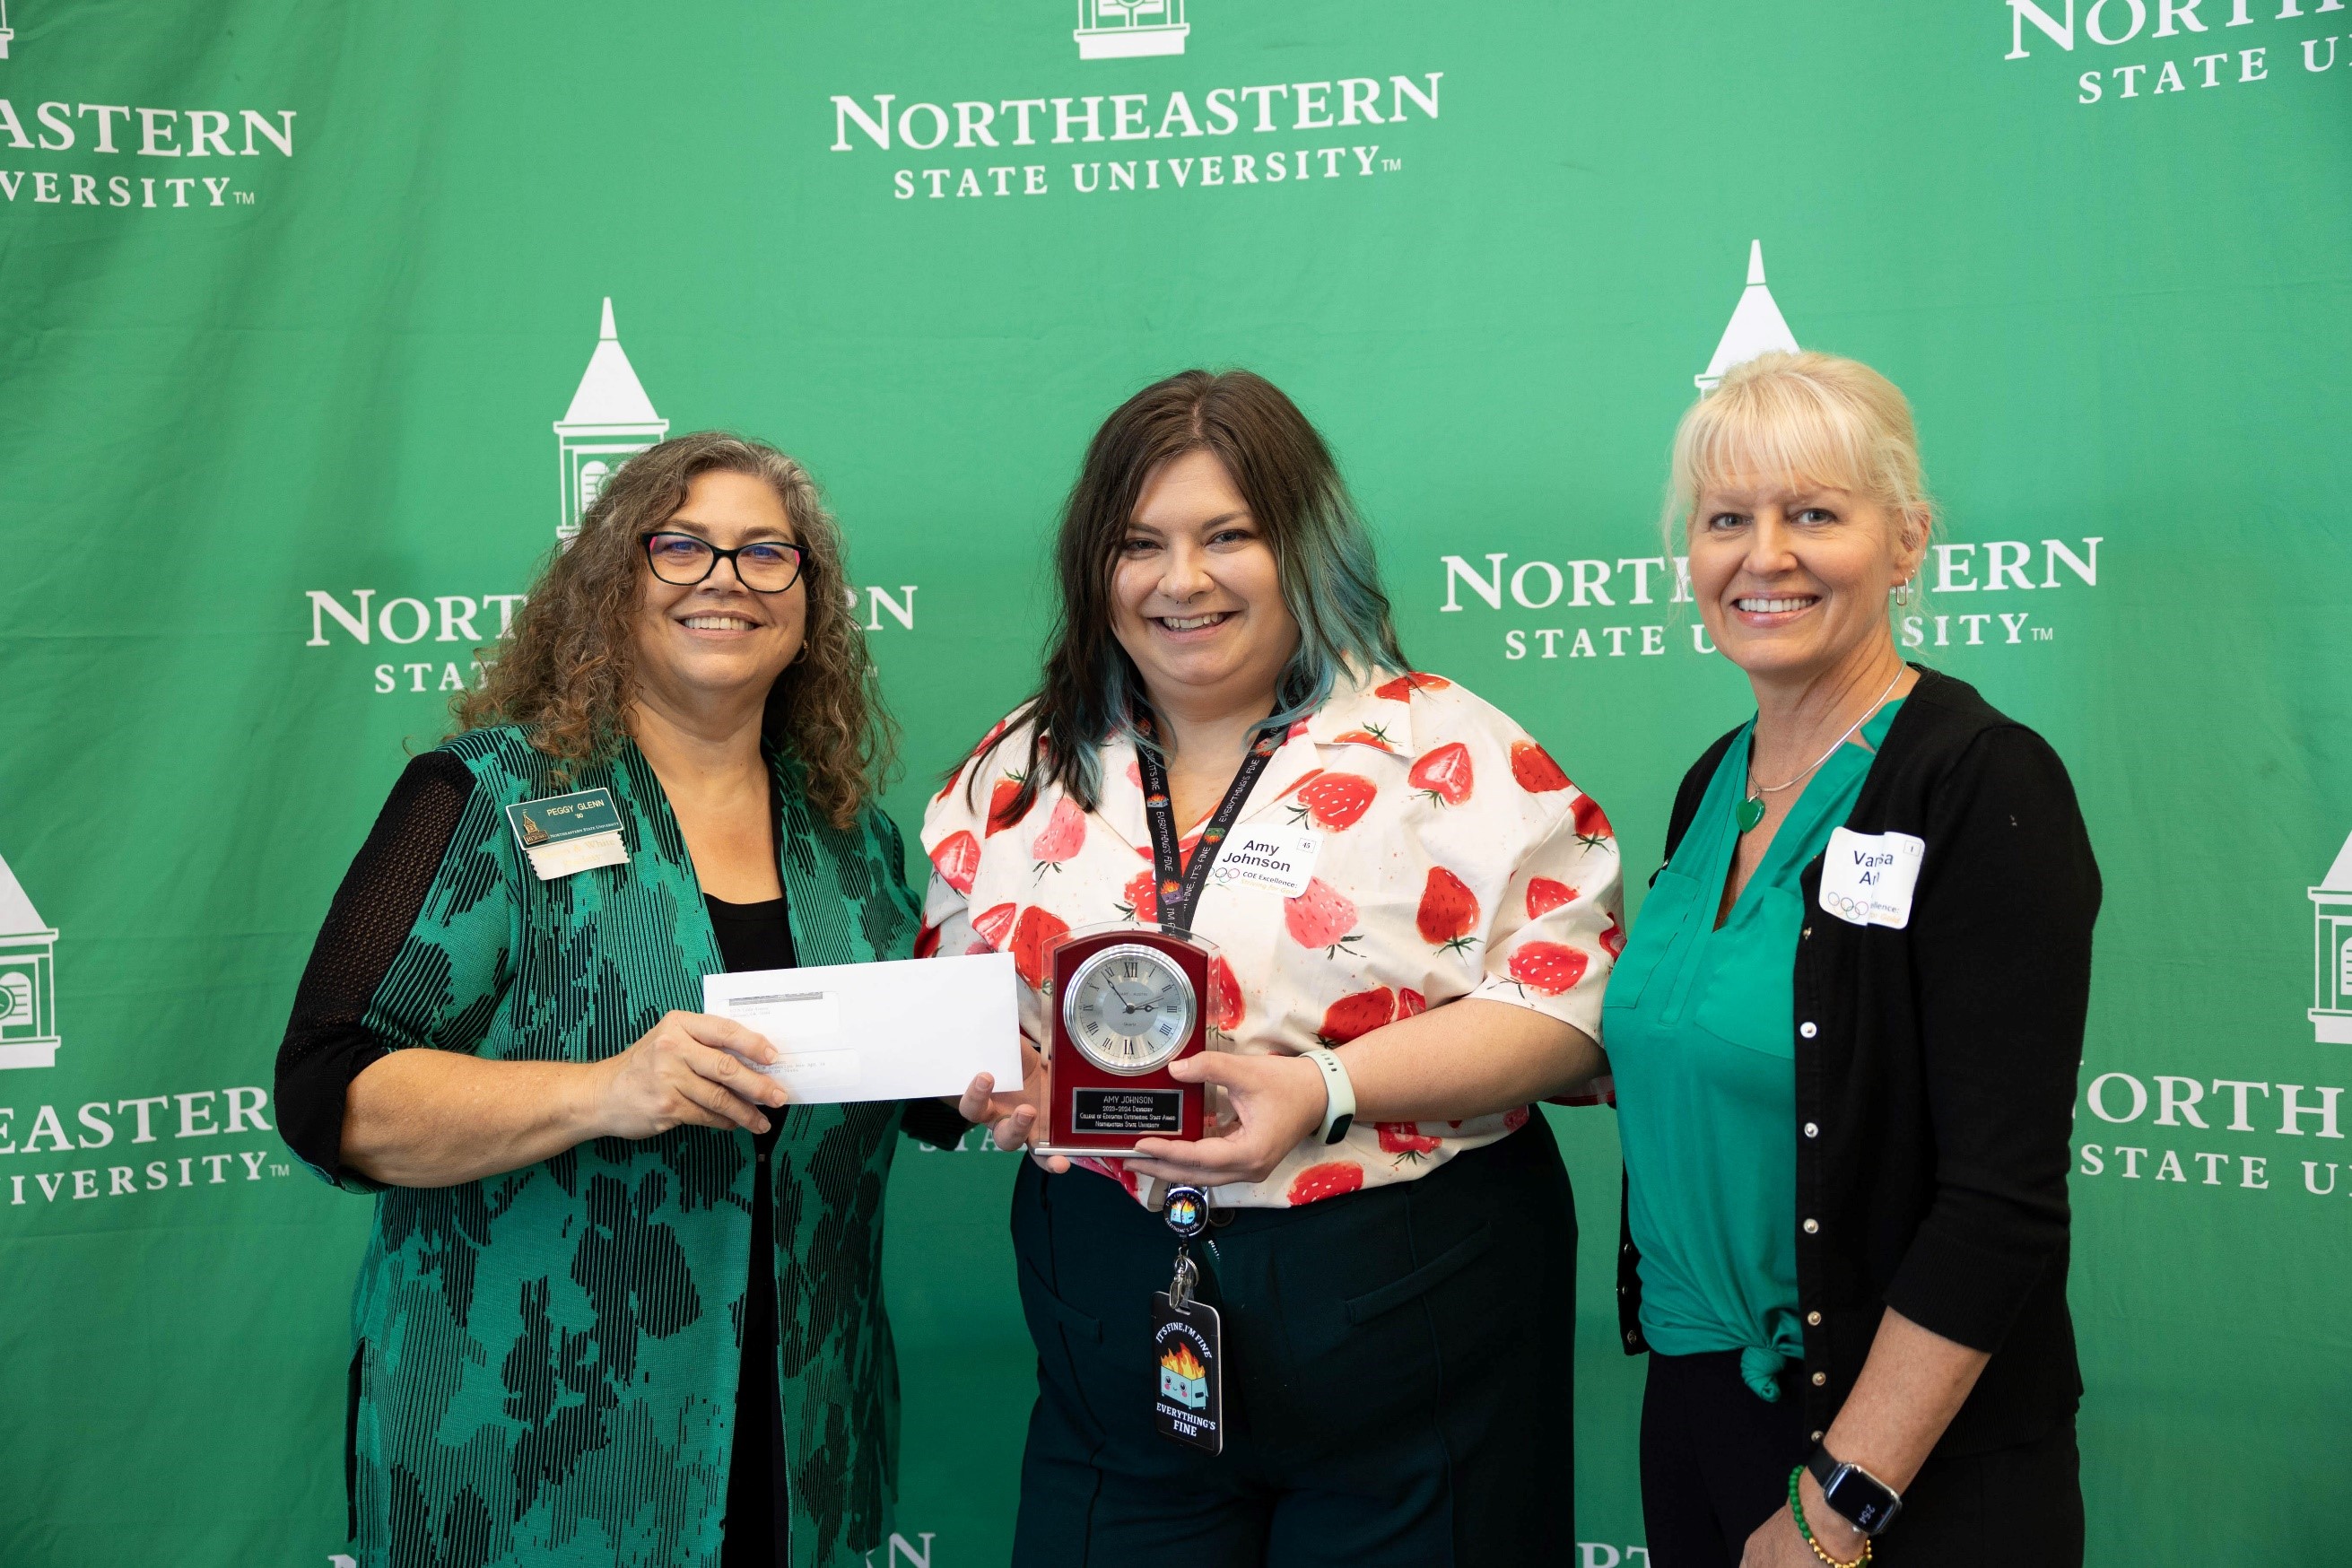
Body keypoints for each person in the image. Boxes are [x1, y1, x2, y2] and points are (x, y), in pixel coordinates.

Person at [922, 369, 1622, 1566]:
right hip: (1112, 1315)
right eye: (1139, 543)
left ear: (1300, 544)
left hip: (1406, 1325)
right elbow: (950, 1005)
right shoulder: (1019, 764)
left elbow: (1569, 1011)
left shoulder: (1441, 743)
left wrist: (1326, 1089)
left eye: (1226, 536)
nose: (1180, 580)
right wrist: (990, 1071)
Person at [274, 433, 963, 1567]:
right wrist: (606, 1089)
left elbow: (922, 1094)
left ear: (810, 604)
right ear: (611, 582)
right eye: (681, 545)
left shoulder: (854, 839)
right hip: (525, 1439)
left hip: (802, 1440)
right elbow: (326, 1089)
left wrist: (1008, 1079)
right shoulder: (488, 794)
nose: (725, 578)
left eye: (765, 553)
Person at [1603, 351, 2098, 1567]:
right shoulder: (1710, 783)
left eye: (1811, 514)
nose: (1760, 556)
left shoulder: (1980, 783)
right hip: (1694, 1406)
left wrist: (1838, 1504)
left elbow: (2000, 1203)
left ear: (1905, 542)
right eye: (1726, 519)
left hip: (1886, 1456)